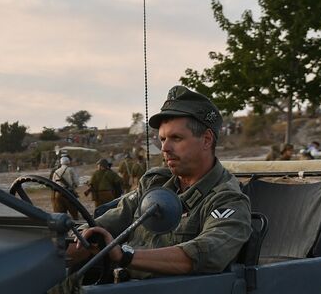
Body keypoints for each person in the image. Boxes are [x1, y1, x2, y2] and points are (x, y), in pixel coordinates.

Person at [66, 85, 250, 279]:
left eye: (176, 138)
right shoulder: (155, 183)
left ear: (206, 140)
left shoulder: (227, 199)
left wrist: (125, 255)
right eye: (162, 139)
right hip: (121, 292)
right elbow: (105, 224)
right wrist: (81, 238)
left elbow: (207, 253)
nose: (165, 148)